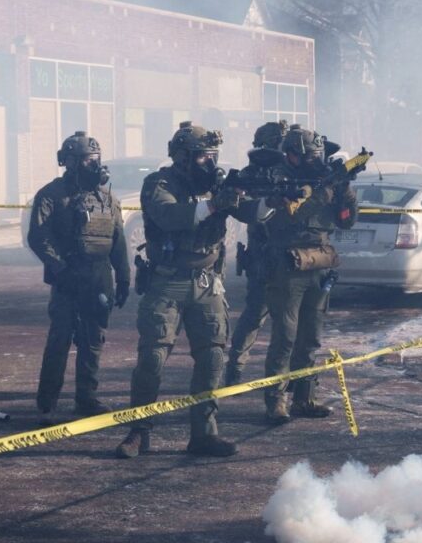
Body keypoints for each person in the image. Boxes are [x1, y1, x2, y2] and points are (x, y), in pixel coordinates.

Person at [115, 121, 272, 459]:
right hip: (167, 281)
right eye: (203, 156)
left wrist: (273, 198)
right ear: (183, 157)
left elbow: (252, 214)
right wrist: (215, 204)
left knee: (212, 357)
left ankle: (204, 433)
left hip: (206, 282)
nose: (210, 163)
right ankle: (139, 431)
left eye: (213, 155)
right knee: (152, 359)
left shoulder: (217, 184)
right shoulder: (159, 183)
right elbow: (170, 216)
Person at [28, 131, 130, 423]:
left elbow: (118, 240)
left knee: (93, 339)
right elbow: (39, 237)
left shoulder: (108, 198)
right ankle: (47, 403)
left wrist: (124, 277)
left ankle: (86, 398)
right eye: (87, 159)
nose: (94, 165)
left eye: (96, 159)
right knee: (59, 340)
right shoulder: (51, 195)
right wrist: (60, 270)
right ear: (70, 162)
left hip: (99, 278)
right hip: (68, 278)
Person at [262, 125, 358, 424]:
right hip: (288, 266)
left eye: (318, 156)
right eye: (310, 156)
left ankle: (304, 398)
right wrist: (325, 190)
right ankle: (276, 401)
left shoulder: (323, 180)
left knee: (311, 338)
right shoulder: (279, 179)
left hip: (320, 264)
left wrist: (344, 189)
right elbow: (294, 215)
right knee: (285, 337)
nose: (315, 162)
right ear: (292, 155)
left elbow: (347, 222)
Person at [224, 120, 288, 385]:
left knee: (289, 322)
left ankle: (288, 377)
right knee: (254, 316)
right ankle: (235, 369)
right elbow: (246, 209)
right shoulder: (252, 174)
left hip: (290, 254)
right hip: (262, 253)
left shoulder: (291, 171)